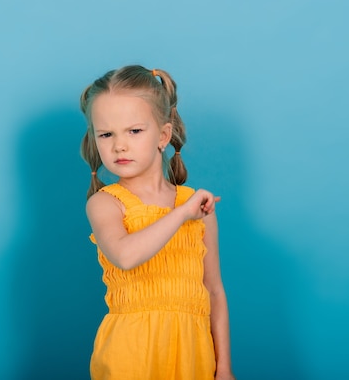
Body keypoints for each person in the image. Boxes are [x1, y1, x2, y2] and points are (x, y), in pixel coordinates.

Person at [80, 65, 235, 380]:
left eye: (134, 131)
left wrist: (225, 368)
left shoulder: (196, 206)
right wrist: (181, 215)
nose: (119, 145)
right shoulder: (105, 203)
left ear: (163, 136)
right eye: (106, 134)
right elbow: (125, 256)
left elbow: (214, 290)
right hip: (130, 354)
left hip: (193, 354)